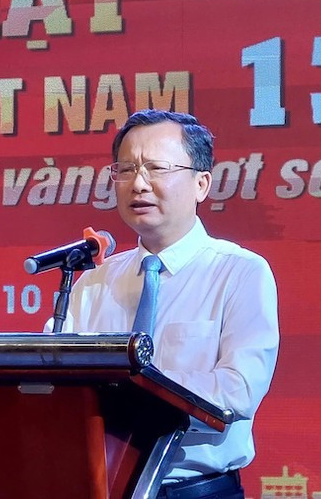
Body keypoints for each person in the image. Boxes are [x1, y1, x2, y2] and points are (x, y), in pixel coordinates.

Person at [51, 109, 279, 499]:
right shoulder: (91, 282)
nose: (138, 184)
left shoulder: (239, 272)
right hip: (100, 488)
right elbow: (53, 386)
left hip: (199, 492)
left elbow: (238, 389)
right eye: (125, 170)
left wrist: (135, 388)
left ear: (201, 184)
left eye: (157, 168)